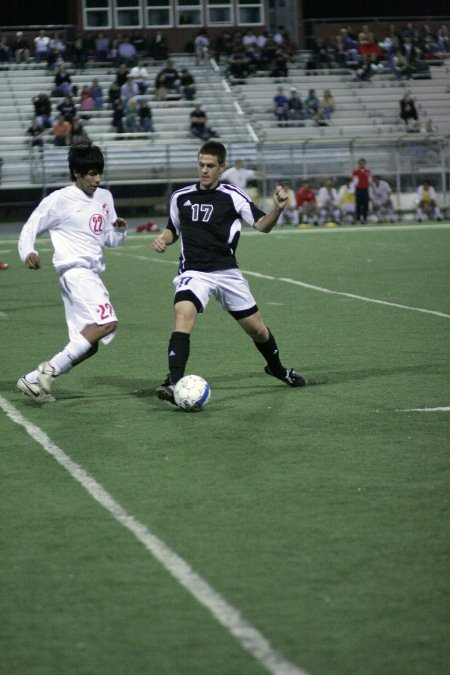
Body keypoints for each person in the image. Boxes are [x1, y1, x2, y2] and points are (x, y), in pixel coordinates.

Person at [151, 140, 306, 405]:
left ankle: (278, 369)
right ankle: (173, 383)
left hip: (227, 273)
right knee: (183, 314)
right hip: (194, 272)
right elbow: (173, 229)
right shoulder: (181, 197)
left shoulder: (233, 196)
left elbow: (262, 225)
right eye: (201, 165)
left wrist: (277, 209)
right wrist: (163, 238)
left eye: (210, 166)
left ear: (221, 167)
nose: (204, 170)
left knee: (257, 330)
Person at [16, 142, 128, 403]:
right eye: (90, 173)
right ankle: (48, 372)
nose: (97, 179)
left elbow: (110, 240)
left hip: (91, 275)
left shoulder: (105, 197)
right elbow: (31, 226)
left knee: (89, 347)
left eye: (99, 172)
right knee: (106, 322)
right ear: (76, 173)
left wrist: (119, 230)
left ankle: (33, 380)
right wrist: (27, 251)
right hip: (75, 272)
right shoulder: (59, 200)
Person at [351, 158, 372, 223]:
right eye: (360, 163)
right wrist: (354, 190)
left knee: (365, 204)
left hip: (365, 189)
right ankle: (358, 218)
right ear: (359, 164)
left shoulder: (367, 171)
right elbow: (354, 181)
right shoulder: (356, 171)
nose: (362, 164)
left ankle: (365, 218)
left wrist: (370, 188)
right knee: (358, 204)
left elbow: (370, 180)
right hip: (359, 189)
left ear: (365, 164)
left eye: (363, 163)